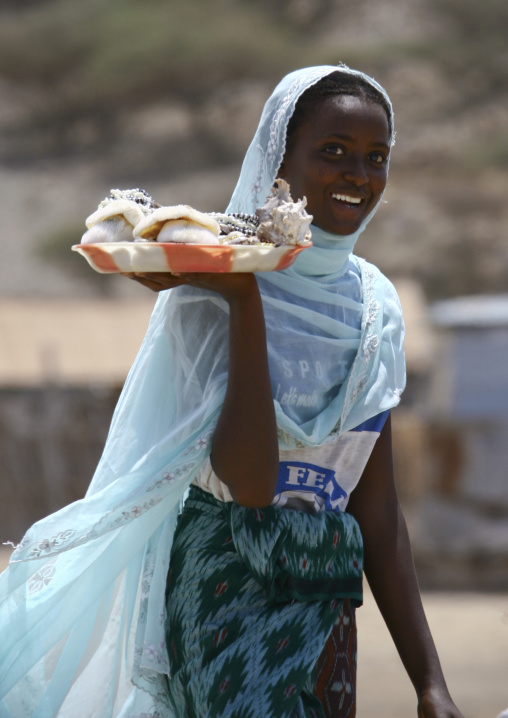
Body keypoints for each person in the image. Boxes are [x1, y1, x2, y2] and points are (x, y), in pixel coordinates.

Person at [0, 65, 464, 718]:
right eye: (333, 152)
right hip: (225, 597)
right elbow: (249, 484)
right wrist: (246, 297)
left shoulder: (374, 308)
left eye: (375, 157)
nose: (358, 174)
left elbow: (378, 509)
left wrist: (430, 682)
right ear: (279, 165)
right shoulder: (208, 290)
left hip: (325, 603)